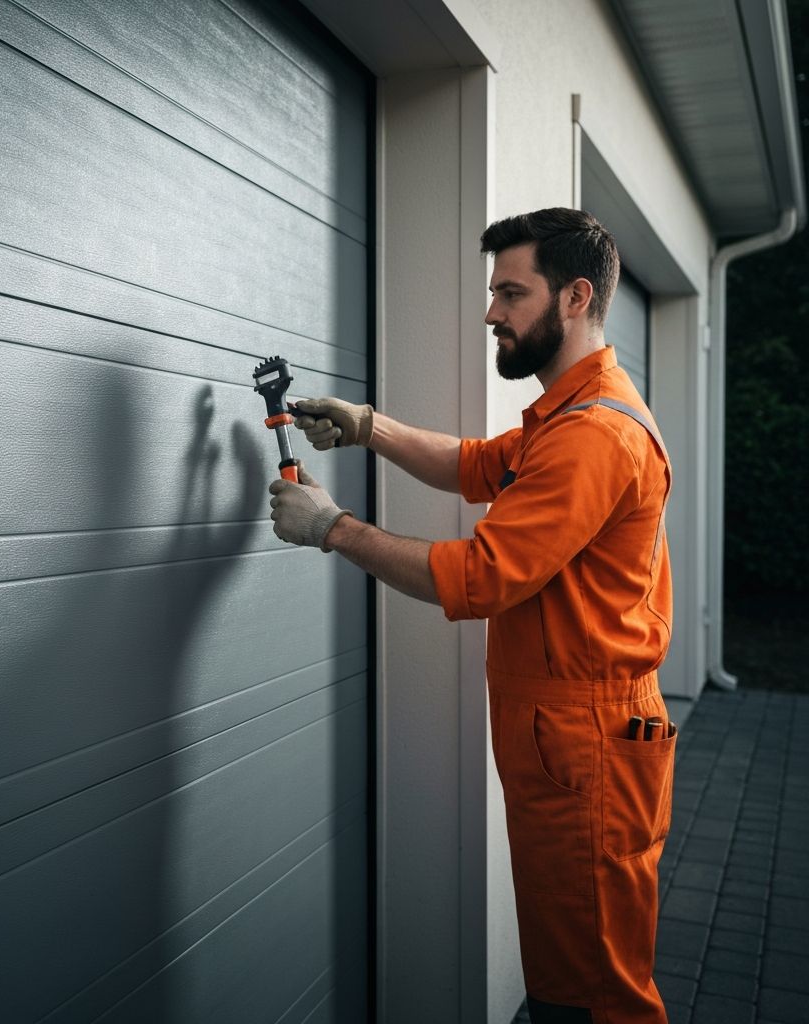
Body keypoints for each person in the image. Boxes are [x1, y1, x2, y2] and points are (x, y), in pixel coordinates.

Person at [268, 208, 675, 1024]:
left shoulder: (594, 434)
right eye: (494, 292)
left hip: (586, 745)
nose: (491, 311)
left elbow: (484, 578)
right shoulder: (568, 411)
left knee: (599, 997)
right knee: (568, 975)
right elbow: (477, 465)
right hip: (566, 738)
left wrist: (332, 529)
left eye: (511, 293)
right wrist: (368, 427)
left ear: (575, 297)